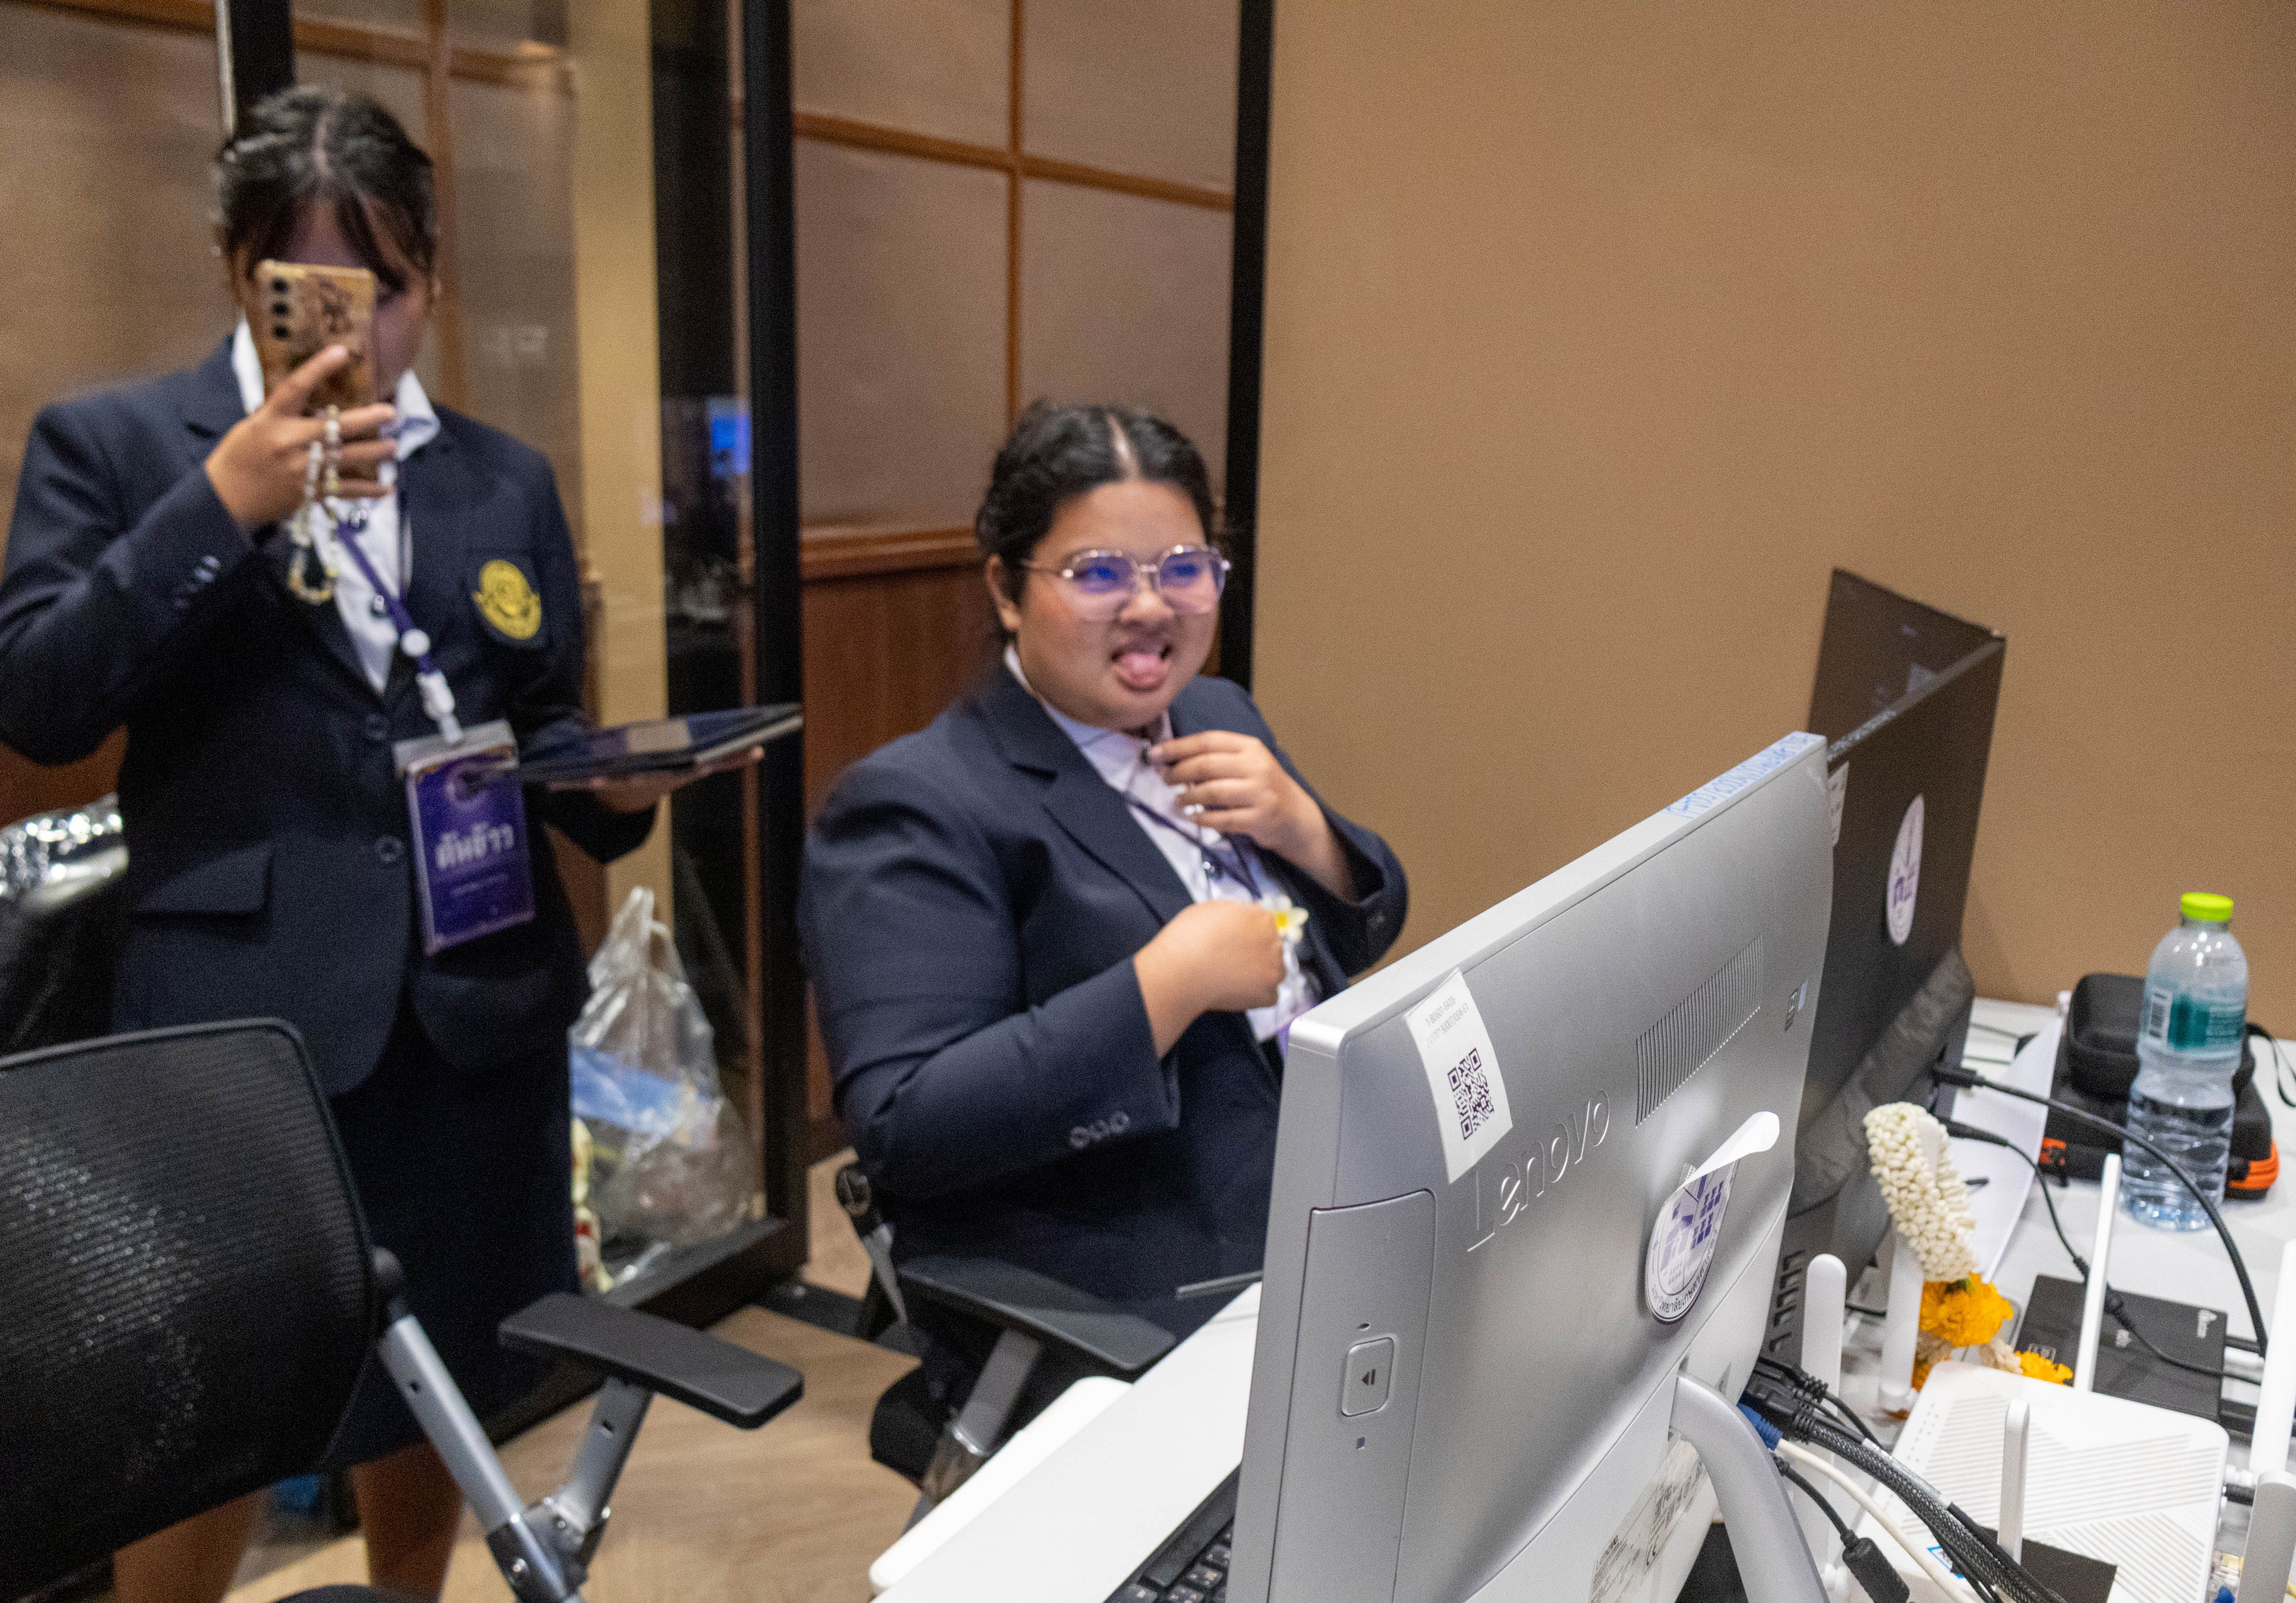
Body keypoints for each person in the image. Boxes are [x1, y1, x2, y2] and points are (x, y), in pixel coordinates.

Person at [0, 88, 744, 1602]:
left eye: (388, 289)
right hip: (243, 1025)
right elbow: (42, 698)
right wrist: (223, 503)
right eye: (310, 290)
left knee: (449, 1359)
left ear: (432, 279)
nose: (360, 332)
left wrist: (617, 788)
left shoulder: (499, 476)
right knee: (207, 1394)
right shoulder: (121, 445)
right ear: (239, 272)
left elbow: (534, 723)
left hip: (471, 1006)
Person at [804, 402, 1408, 1420]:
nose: (1150, 606)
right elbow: (912, 1125)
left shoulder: (1214, 711)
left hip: (1318, 1198)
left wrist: (1306, 830)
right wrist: (1165, 987)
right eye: (1097, 574)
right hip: (1122, 1276)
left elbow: (1358, 928)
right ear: (1006, 588)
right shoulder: (917, 802)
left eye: (1184, 567)